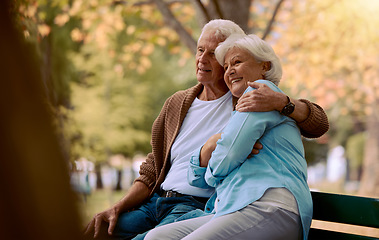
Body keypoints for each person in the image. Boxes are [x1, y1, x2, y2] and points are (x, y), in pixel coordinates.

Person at [84, 20, 328, 240]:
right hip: (156, 201)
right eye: (200, 50)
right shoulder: (177, 103)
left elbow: (319, 124)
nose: (202, 58)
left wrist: (284, 103)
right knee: (92, 233)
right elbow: (152, 167)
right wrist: (118, 206)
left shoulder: (249, 95)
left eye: (213, 54)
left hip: (196, 205)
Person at [145, 33, 312, 240]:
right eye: (225, 67)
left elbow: (227, 155)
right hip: (236, 207)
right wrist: (211, 148)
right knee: (156, 237)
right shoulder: (243, 104)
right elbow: (218, 160)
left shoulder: (261, 93)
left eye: (237, 62)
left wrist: (212, 168)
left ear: (265, 66)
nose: (230, 71)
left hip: (270, 205)